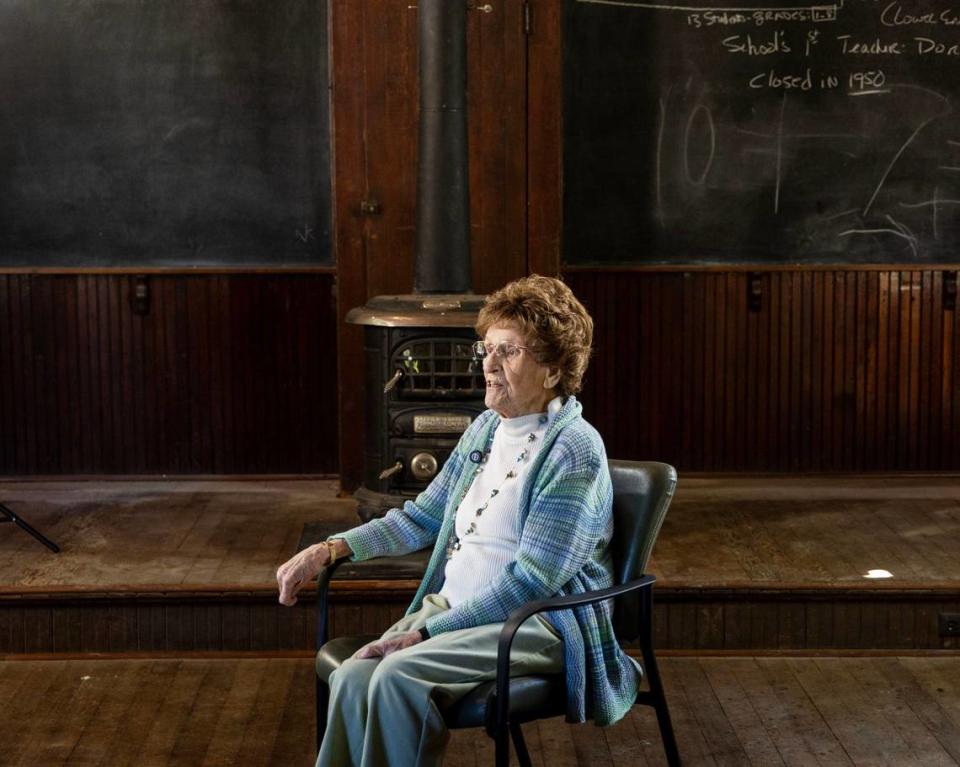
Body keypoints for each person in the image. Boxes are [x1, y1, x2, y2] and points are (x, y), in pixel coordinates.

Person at [276, 275, 639, 767]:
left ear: (553, 370)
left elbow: (533, 585)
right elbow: (421, 517)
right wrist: (332, 548)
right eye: (486, 349)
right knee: (355, 676)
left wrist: (427, 633)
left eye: (508, 352)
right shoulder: (487, 428)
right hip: (457, 609)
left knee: (396, 677)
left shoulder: (574, 450)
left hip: (535, 624)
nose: (488, 364)